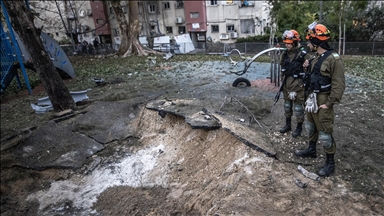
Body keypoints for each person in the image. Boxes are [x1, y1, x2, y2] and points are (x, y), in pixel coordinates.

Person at [295, 22, 346, 177]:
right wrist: (305, 67)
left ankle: (330, 162)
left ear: (317, 41)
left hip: (323, 100)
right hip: (312, 98)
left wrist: (329, 103)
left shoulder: (333, 59)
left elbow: (339, 84)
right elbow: (313, 77)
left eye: (310, 41)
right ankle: (311, 150)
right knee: (310, 127)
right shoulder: (314, 58)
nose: (307, 44)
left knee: (325, 132)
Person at [279, 29, 311, 137]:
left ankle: (299, 128)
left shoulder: (303, 55)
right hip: (286, 86)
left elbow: (309, 70)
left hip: (298, 87)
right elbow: (282, 68)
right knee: (287, 106)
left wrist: (303, 84)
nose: (286, 45)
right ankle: (288, 125)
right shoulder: (285, 54)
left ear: (294, 42)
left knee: (298, 109)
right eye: (286, 43)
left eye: (289, 43)